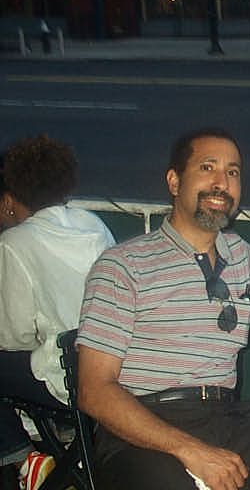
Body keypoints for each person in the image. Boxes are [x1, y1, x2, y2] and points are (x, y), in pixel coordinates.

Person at [76, 128, 250, 490]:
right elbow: (95, 390)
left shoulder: (241, 256)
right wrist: (192, 451)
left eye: (232, 172)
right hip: (143, 427)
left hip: (227, 418)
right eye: (207, 168)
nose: (222, 183)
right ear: (174, 181)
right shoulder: (124, 266)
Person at [0, 136, 116, 488]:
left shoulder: (14, 244)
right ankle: (59, 435)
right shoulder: (92, 224)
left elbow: (13, 337)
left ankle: (24, 460)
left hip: (67, 380)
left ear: (8, 201)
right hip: (111, 369)